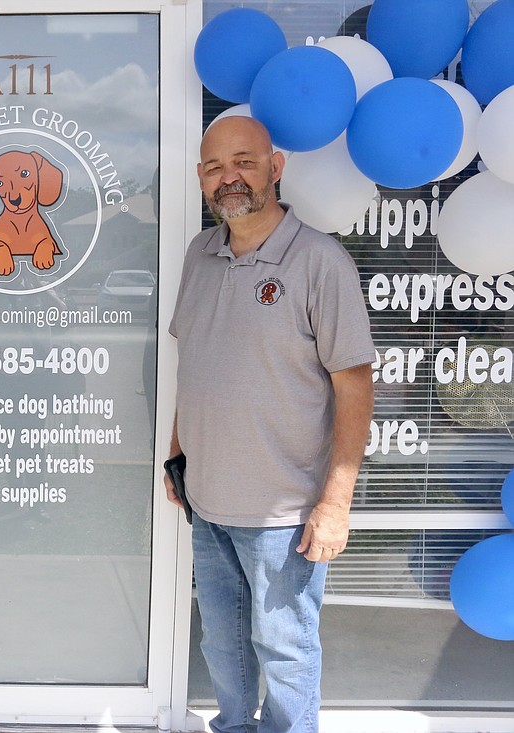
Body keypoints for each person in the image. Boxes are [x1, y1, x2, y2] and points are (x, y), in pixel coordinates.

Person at [166, 116, 374, 733]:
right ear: (200, 178)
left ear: (275, 168)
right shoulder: (199, 255)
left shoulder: (319, 261)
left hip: (284, 514)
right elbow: (195, 361)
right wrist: (178, 454)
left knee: (285, 650)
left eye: (244, 162)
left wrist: (335, 505)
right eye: (214, 167)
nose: (228, 177)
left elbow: (355, 386)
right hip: (208, 501)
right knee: (222, 645)